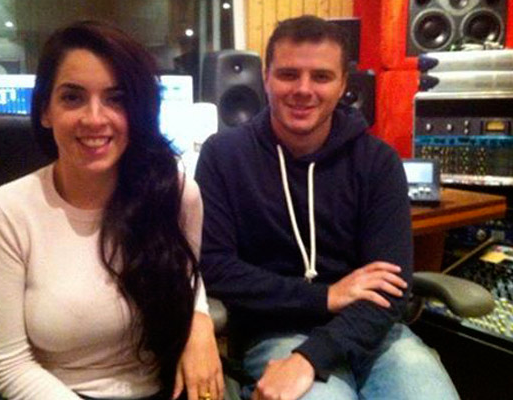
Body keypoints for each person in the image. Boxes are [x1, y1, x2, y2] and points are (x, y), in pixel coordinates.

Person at [195, 15, 459, 400]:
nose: (303, 90)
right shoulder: (223, 156)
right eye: (288, 74)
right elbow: (216, 268)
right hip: (275, 332)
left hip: (370, 331)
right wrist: (324, 297)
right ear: (266, 78)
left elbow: (392, 288)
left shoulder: (377, 161)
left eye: (321, 76)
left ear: (343, 84)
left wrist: (312, 357)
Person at [0, 20, 222, 400]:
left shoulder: (175, 195)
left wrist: (200, 321)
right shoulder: (4, 211)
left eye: (116, 99)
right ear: (45, 110)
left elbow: (185, 278)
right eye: (72, 98)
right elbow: (10, 366)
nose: (95, 118)